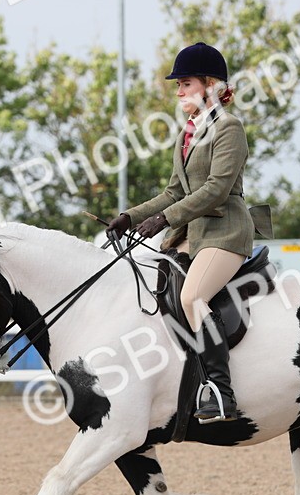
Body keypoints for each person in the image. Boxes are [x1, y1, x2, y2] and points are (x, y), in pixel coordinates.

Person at [107, 42, 260, 424]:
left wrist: (164, 219)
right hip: (191, 234)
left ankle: (222, 393)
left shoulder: (229, 128)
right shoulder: (187, 133)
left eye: (185, 83)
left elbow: (216, 190)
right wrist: (130, 216)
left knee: (192, 296)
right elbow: (174, 191)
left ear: (210, 85)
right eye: (177, 85)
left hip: (225, 232)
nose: (178, 92)